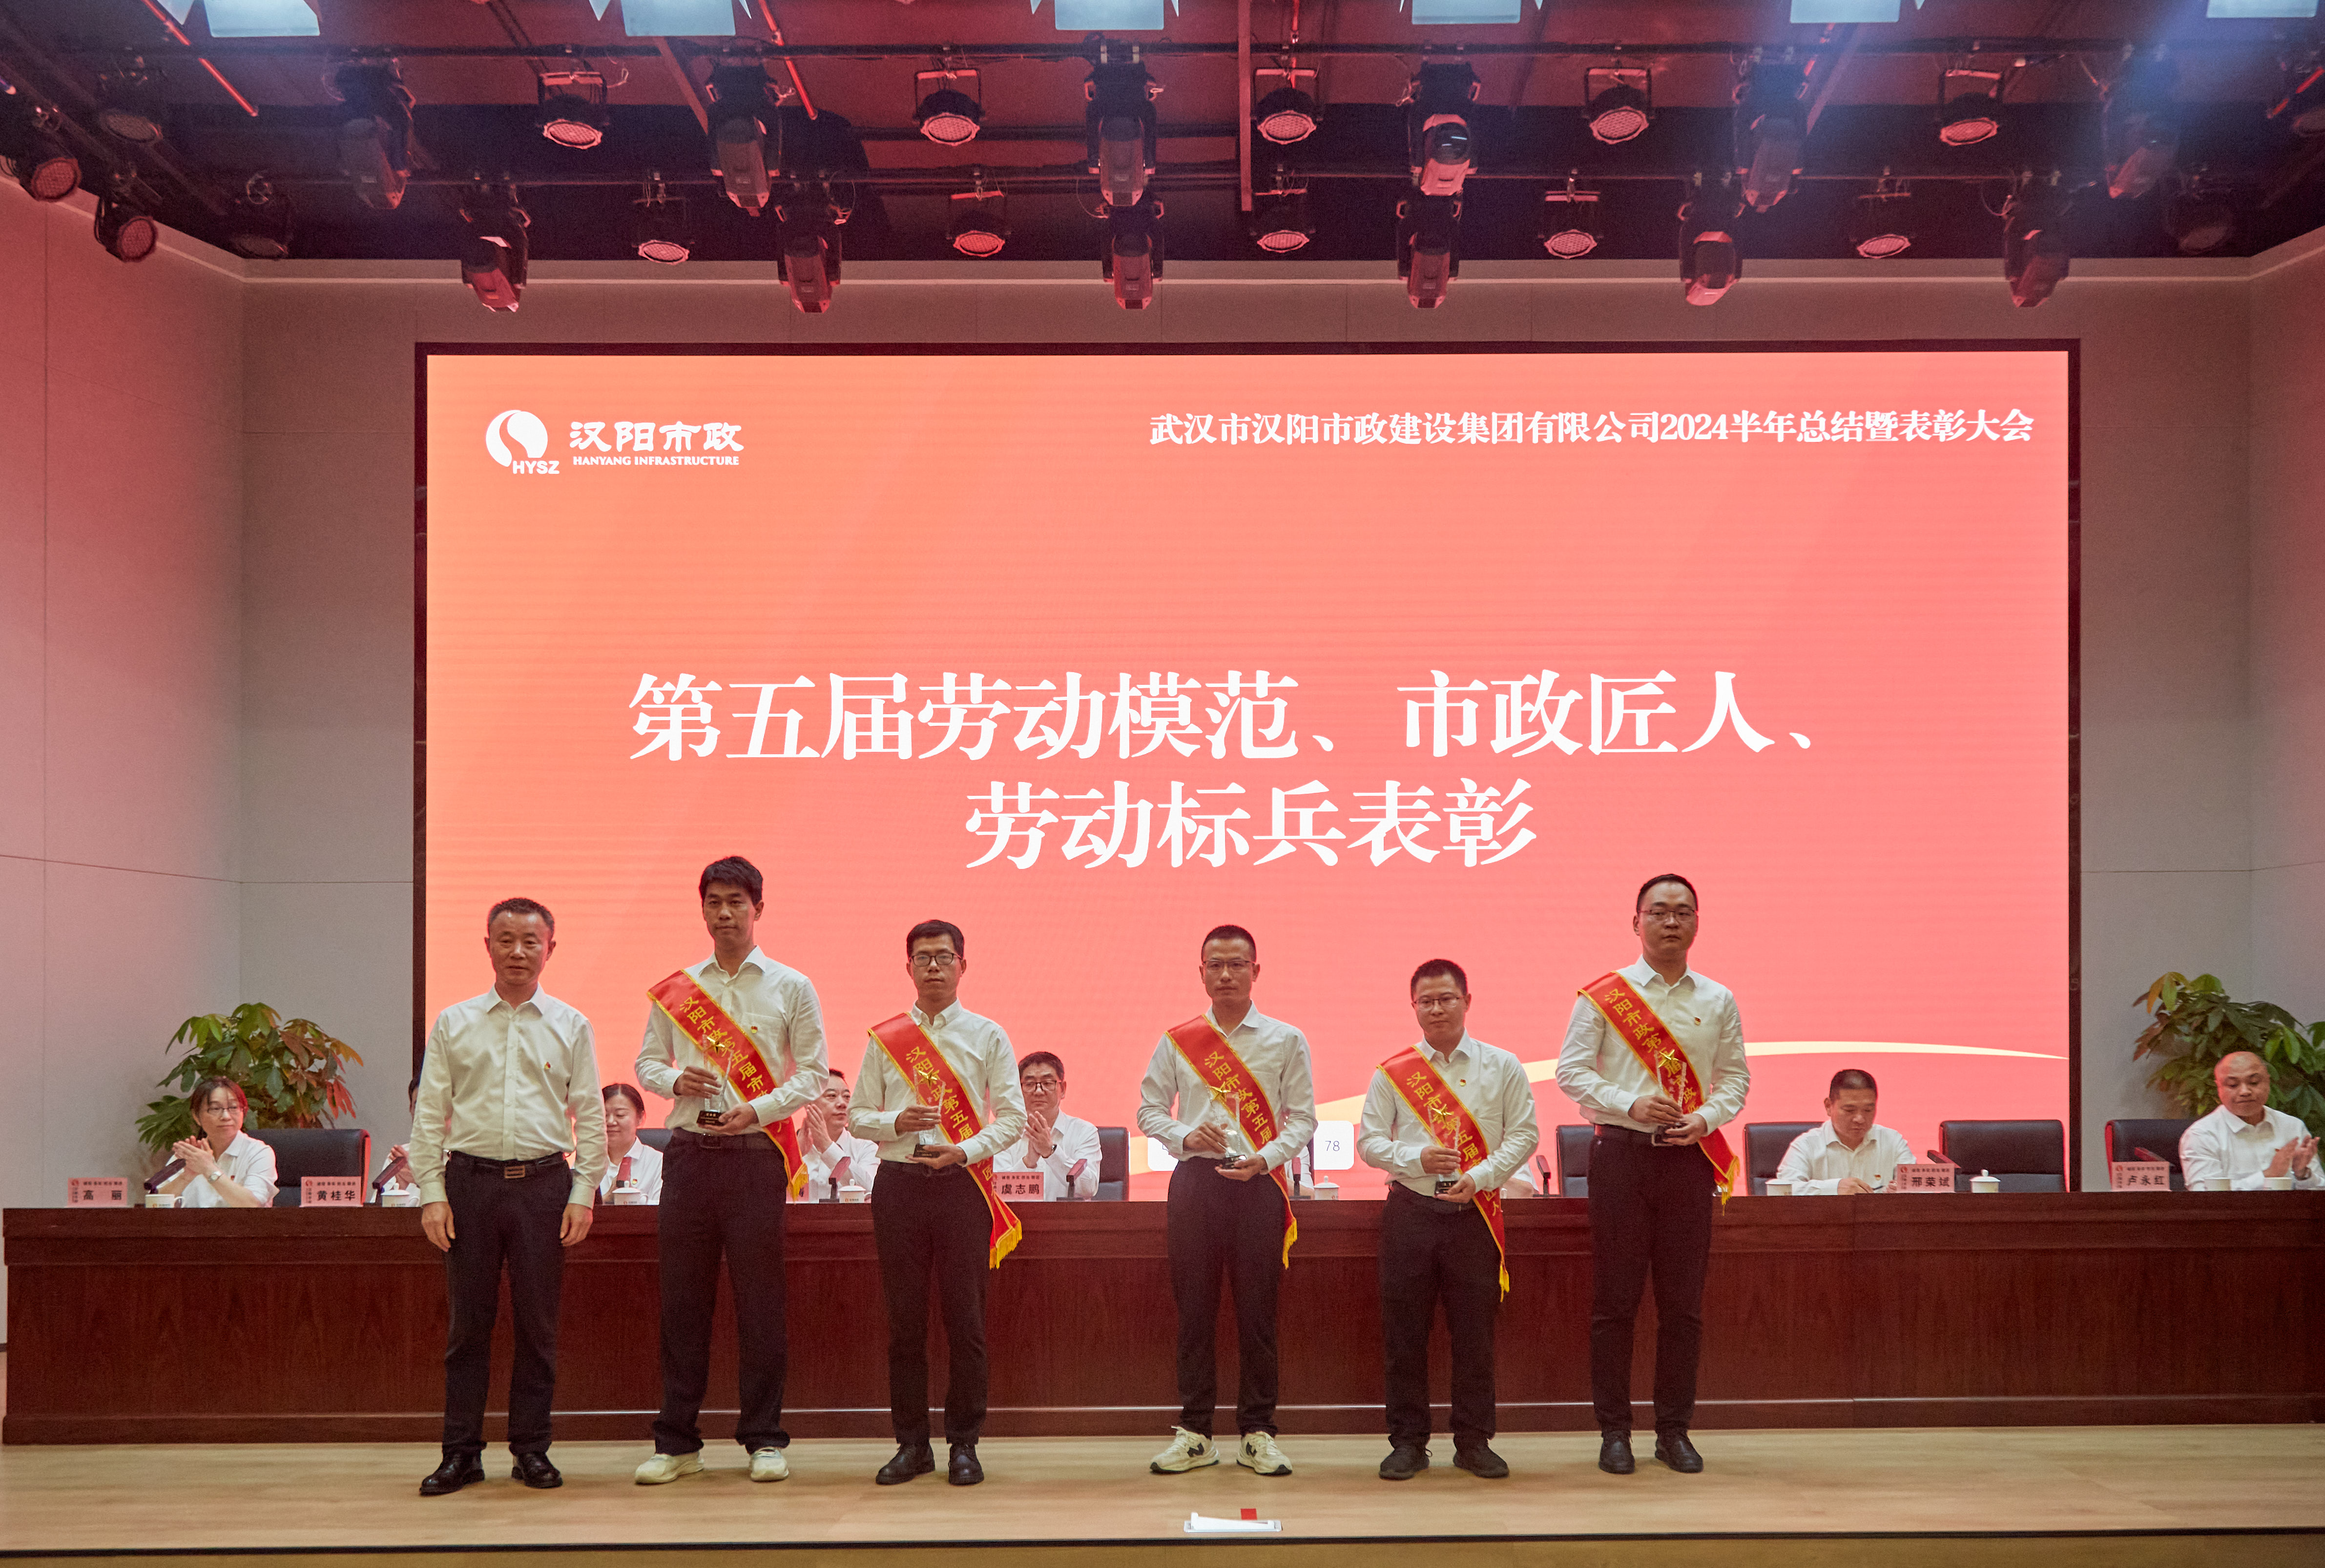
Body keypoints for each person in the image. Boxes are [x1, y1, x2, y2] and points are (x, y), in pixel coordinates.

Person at [632, 854, 828, 1485]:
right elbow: (646, 1063)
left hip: (754, 1157)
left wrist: (759, 1109)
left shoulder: (791, 986)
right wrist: (673, 1080)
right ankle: (677, 1442)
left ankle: (764, 1438)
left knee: (760, 1302)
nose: (724, 913)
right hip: (690, 1155)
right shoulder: (679, 989)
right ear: (703, 909)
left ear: (757, 908)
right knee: (682, 1303)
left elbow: (812, 1074)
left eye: (735, 902)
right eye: (714, 902)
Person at [408, 896, 606, 1496]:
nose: (518, 952)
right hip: (469, 1185)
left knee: (537, 1326)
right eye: (506, 940)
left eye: (530, 941)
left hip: (544, 1186)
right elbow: (430, 1112)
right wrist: (431, 1191)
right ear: (488, 945)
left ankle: (531, 1448)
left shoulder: (571, 1024)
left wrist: (584, 1190)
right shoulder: (454, 1022)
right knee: (467, 1328)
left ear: (550, 948)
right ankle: (461, 1453)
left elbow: (590, 1113)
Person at [1555, 873, 1748, 1478]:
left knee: (1682, 1305)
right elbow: (1570, 1073)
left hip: (1687, 1161)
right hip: (1621, 1156)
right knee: (1615, 1303)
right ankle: (1614, 1432)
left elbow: (1735, 1079)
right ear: (1635, 921)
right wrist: (1629, 1103)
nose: (1671, 921)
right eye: (1659, 911)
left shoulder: (1717, 998)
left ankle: (1673, 1430)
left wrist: (1704, 1118)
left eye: (1682, 911)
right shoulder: (1602, 996)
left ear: (1696, 922)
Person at [1138, 924, 1316, 1479]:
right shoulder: (1178, 1040)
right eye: (1215, 965)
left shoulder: (1286, 1039)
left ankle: (1258, 1433)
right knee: (1194, 1313)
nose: (1226, 974)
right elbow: (1148, 1110)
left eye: (1237, 964)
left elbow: (1303, 1118)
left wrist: (1266, 1158)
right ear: (1201, 973)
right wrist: (1185, 1136)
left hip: (1258, 1186)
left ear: (1255, 971)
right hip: (1196, 1184)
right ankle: (1195, 1433)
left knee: (1258, 1314)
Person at [853, 919, 1027, 1488]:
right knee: (904, 1324)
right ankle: (911, 1444)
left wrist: (965, 1150)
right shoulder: (886, 1038)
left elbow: (1013, 1118)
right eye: (923, 956)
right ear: (908, 966)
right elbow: (857, 1117)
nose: (934, 965)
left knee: (965, 1321)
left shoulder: (987, 1034)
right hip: (899, 1185)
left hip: (960, 1186)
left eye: (944, 956)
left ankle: (964, 1442)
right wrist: (895, 1121)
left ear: (962, 965)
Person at [1358, 959, 1538, 1482]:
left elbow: (1524, 1134)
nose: (1436, 1009)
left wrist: (1481, 1176)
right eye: (1426, 1001)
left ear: (1467, 1001)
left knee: (1474, 1336)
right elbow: (1369, 1142)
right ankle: (1408, 1443)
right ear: (1414, 1007)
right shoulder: (1393, 1071)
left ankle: (1473, 1441)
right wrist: (1415, 1157)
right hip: (1410, 1212)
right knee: (1404, 1335)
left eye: (1446, 998)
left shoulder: (1502, 1065)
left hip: (1473, 1214)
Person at [2179, 1051, 2323, 1190]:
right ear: (2219, 1088)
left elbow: (2320, 1194)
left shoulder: (2292, 1126)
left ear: (2268, 1081)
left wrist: (2302, 1174)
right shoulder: (2202, 1135)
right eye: (2233, 1085)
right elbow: (2203, 1196)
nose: (2245, 1092)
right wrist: (2268, 1175)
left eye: (2254, 1083)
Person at [1773, 1069, 1913, 1195]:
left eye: (1868, 1110)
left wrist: (1907, 1192)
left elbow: (1918, 1186)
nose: (1860, 1119)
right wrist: (1834, 1189)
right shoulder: (1807, 1145)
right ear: (1829, 1106)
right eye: (1850, 1110)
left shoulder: (1892, 1141)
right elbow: (1782, 1191)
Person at [156, 1077, 278, 1208]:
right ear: (196, 1116)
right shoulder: (191, 1154)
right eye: (215, 1109)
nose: (226, 1117)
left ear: (243, 1111)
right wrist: (186, 1176)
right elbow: (155, 1206)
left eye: (233, 1107)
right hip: (194, 1222)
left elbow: (254, 1205)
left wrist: (208, 1169)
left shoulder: (259, 1152)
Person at [999, 1051, 1103, 1200]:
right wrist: (1028, 1163)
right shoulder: (1003, 1135)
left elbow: (1089, 1188)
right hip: (1017, 1216)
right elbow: (998, 1195)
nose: (1039, 1091)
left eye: (1048, 1083)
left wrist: (1051, 1152)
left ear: (1063, 1089)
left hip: (1067, 1216)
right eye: (1030, 1084)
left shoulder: (1084, 1132)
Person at [801, 1068, 880, 1198]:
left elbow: (870, 1192)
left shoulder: (866, 1148)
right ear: (808, 1103)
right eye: (832, 1096)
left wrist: (827, 1146)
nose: (842, 1104)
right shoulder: (793, 1149)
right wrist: (795, 1155)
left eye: (847, 1097)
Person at [598, 1083, 664, 1205]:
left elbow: (663, 1208)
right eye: (604, 1115)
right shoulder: (588, 1160)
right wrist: (607, 1198)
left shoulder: (659, 1162)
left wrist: (629, 1198)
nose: (610, 1122)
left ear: (640, 1118)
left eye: (620, 1115)